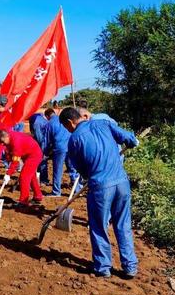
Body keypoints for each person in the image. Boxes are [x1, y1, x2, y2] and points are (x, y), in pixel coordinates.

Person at [59, 107, 139, 278]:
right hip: (122, 182)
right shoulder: (104, 123)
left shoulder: (74, 140)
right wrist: (132, 141)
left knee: (99, 226)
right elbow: (128, 139)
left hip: (101, 187)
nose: (68, 131)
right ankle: (130, 267)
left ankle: (103, 267)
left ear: (69, 122)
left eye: (66, 128)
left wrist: (91, 175)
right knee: (123, 225)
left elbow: (81, 170)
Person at [0, 129, 44, 207]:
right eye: (0, 142)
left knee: (24, 176)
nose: (2, 144)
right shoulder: (9, 137)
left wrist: (8, 174)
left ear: (6, 136)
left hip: (34, 155)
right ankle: (38, 196)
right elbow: (10, 153)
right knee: (31, 176)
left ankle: (23, 201)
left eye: (3, 141)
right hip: (28, 154)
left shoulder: (16, 143)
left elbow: (15, 162)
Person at [44, 108, 79, 197]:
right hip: (70, 145)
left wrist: (45, 152)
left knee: (57, 170)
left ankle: (56, 191)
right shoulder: (63, 119)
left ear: (47, 116)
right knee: (72, 168)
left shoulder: (50, 124)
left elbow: (46, 140)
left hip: (59, 148)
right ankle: (77, 190)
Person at [28, 112, 49, 185]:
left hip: (43, 142)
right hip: (45, 140)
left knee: (42, 159)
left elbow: (39, 137)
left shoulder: (35, 121)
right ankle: (42, 178)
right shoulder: (39, 117)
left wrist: (37, 145)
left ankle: (43, 180)